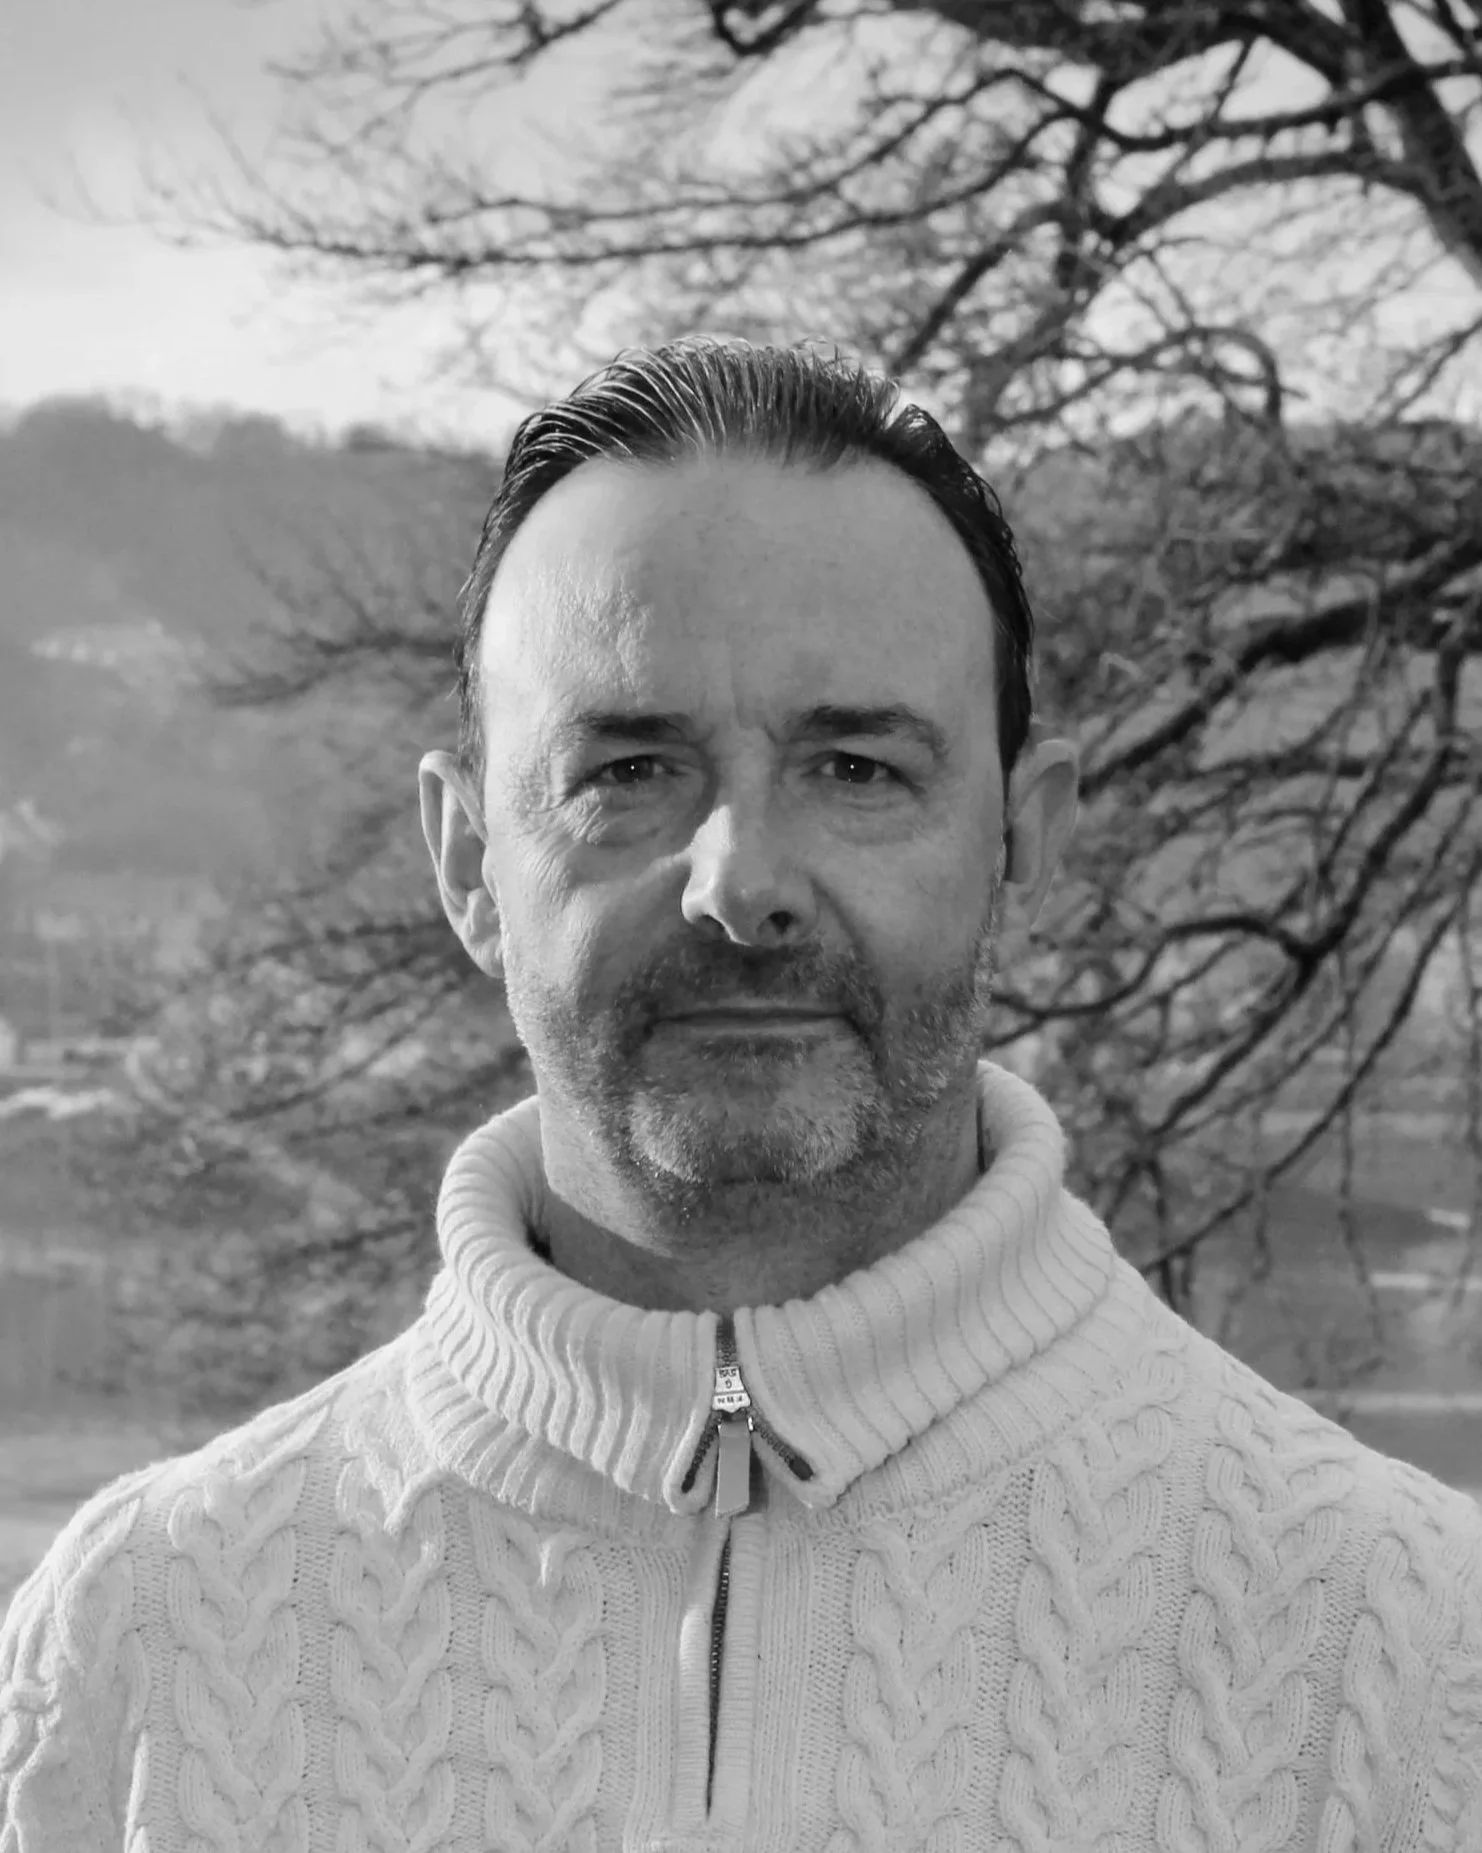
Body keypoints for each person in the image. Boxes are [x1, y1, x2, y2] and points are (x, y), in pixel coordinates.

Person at [2, 337, 1479, 1852]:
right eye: (630, 771)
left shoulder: (1408, 1658)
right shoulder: (136, 1652)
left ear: (1024, 846)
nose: (741, 883)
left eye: (854, 768)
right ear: (467, 864)